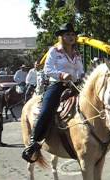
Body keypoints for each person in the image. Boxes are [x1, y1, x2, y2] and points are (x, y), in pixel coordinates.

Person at [22, 22, 84, 162]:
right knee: (47, 110)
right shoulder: (54, 51)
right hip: (58, 85)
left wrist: (81, 75)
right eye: (67, 34)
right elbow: (47, 69)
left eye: (73, 34)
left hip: (75, 86)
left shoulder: (77, 53)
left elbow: (80, 69)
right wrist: (62, 75)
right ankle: (34, 142)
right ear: (61, 36)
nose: (71, 36)